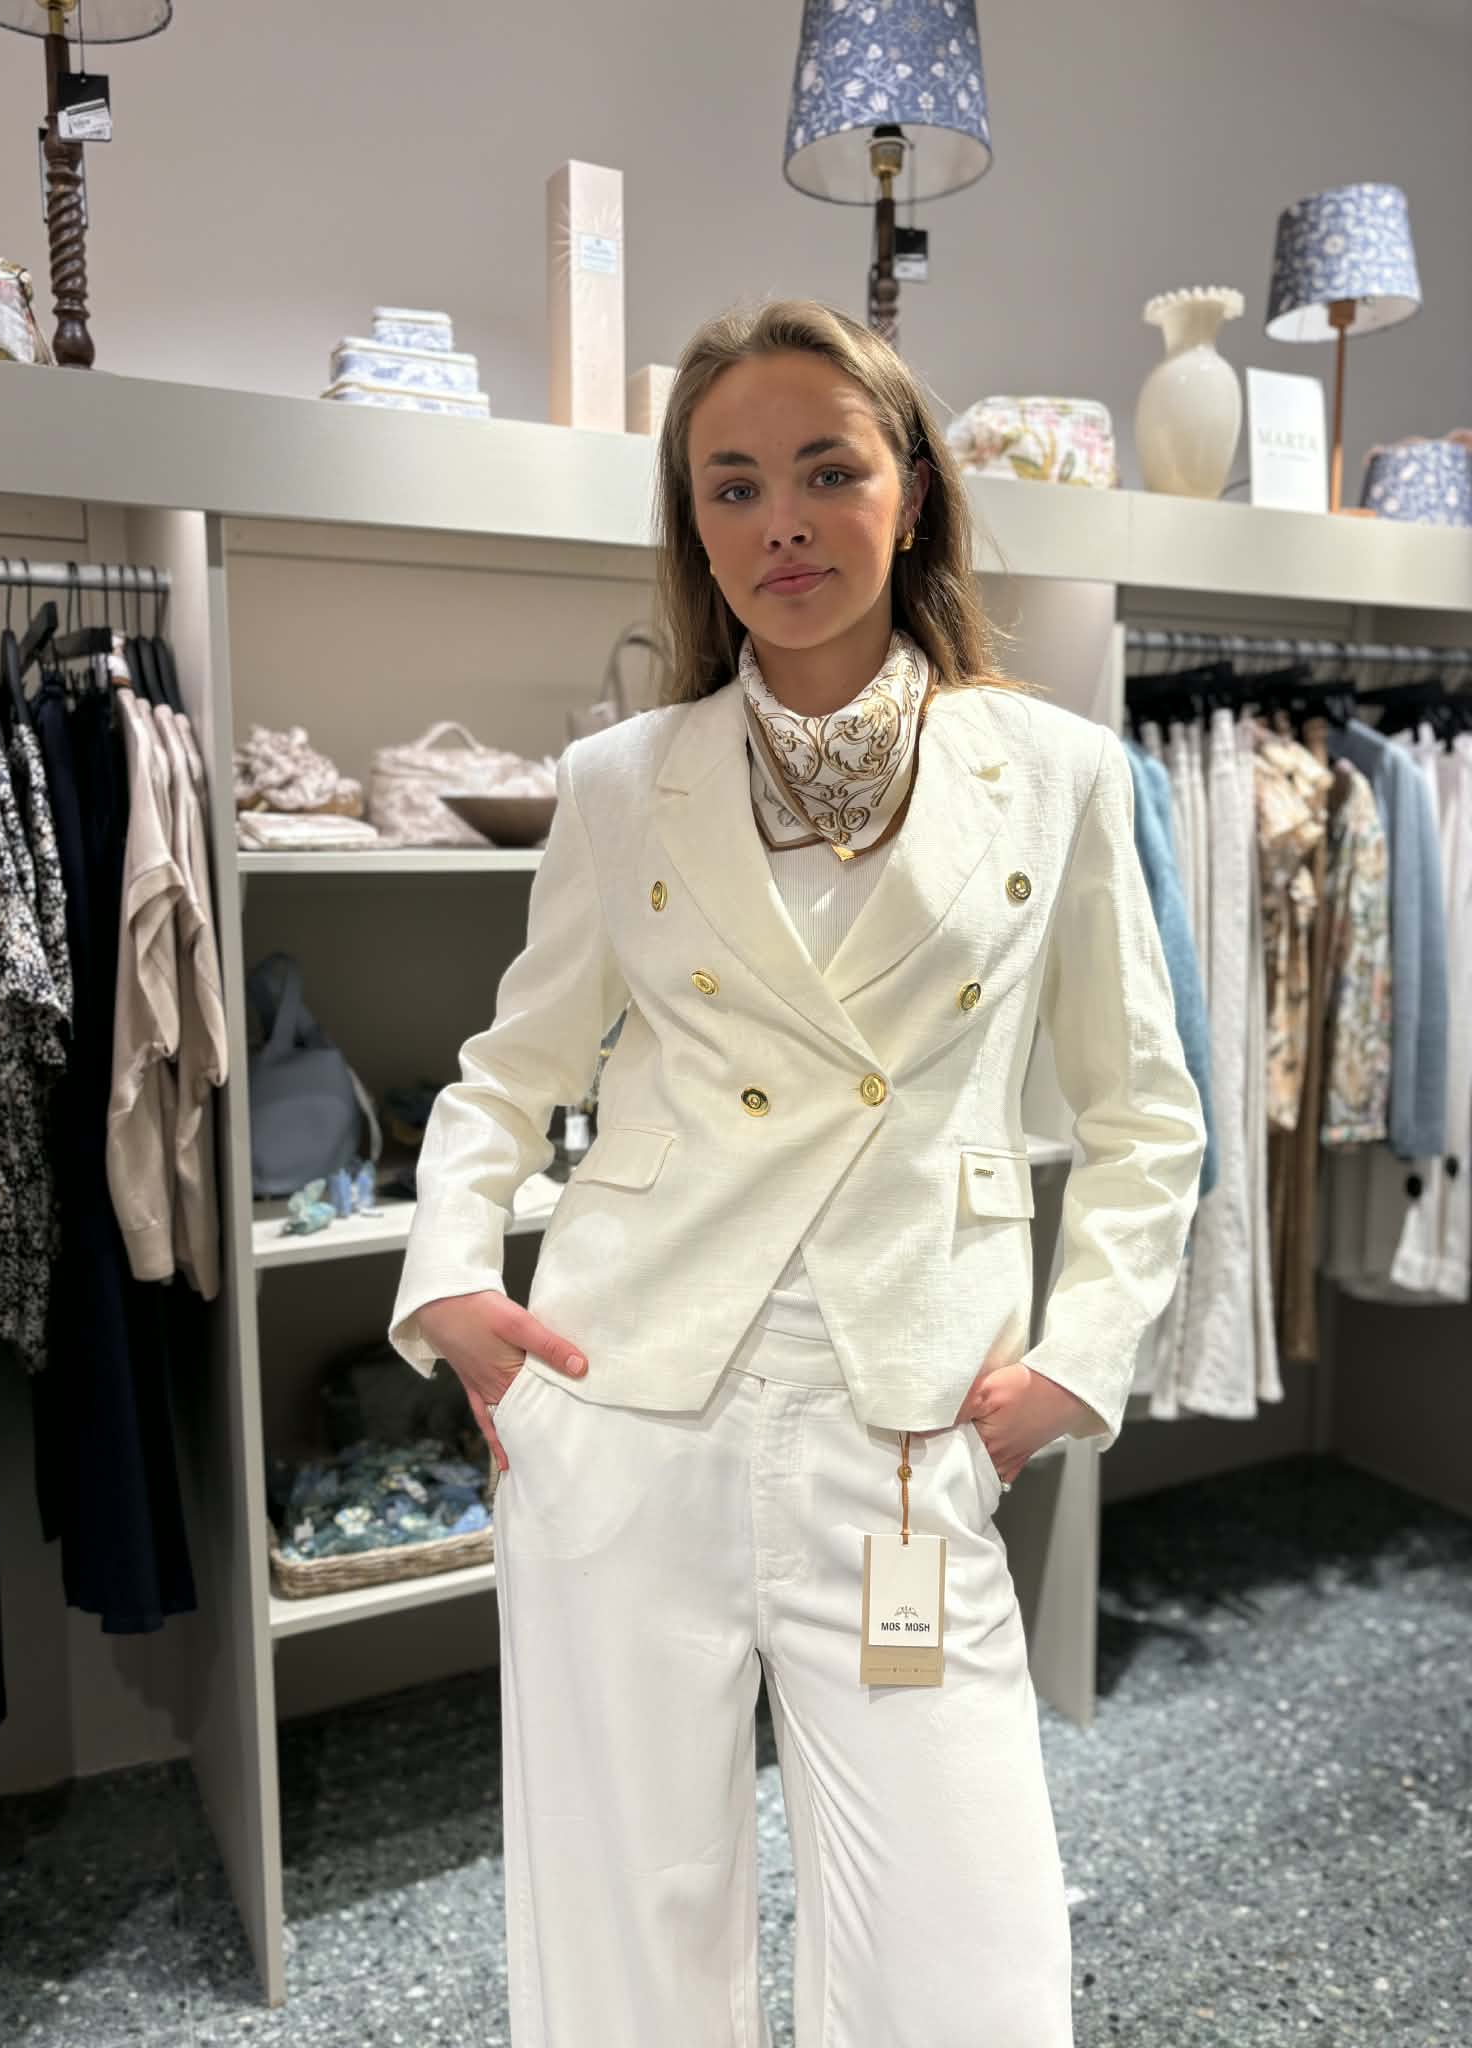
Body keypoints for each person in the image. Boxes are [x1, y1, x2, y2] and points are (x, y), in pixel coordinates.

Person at [390, 298, 1206, 2046]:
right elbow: (511, 1068)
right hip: (629, 1395)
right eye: (734, 484)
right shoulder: (622, 782)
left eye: (830, 471)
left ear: (911, 492)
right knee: (622, 1915)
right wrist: (450, 1273)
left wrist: (1079, 1365)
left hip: (906, 1418)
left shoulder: (1058, 774)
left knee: (962, 1950)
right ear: (693, 526)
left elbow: (1147, 1114)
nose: (784, 523)